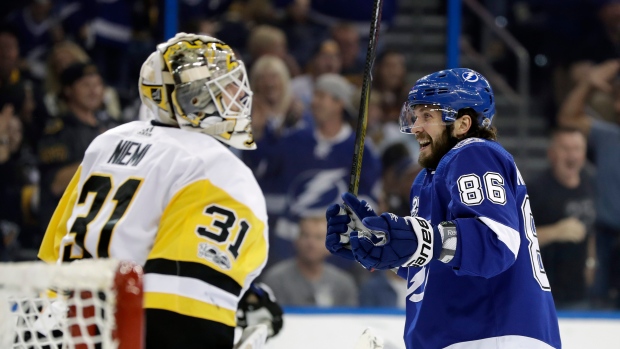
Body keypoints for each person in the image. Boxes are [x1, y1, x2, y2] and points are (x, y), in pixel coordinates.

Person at [38, 33, 281, 349]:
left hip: (48, 330)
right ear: (191, 98)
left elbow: (56, 255)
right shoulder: (219, 170)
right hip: (123, 337)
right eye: (225, 84)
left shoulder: (108, 143)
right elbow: (181, 319)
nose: (240, 94)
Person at [325, 68, 561, 349]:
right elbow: (438, 262)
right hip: (467, 336)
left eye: (427, 116)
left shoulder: (474, 152)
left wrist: (421, 239)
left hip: (493, 335)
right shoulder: (428, 178)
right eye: (415, 116)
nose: (415, 127)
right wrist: (381, 244)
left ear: (462, 124)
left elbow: (496, 242)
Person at [557, 58, 620, 309]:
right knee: (597, 302)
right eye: (616, 98)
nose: (617, 106)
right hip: (604, 235)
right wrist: (588, 84)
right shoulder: (608, 135)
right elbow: (567, 117)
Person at [528, 127, 596, 309]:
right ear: (551, 153)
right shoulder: (535, 190)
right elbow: (517, 238)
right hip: (543, 292)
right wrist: (556, 232)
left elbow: (592, 230)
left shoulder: (590, 184)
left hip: (579, 291)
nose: (572, 155)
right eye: (565, 148)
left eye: (577, 149)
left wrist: (591, 262)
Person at [262, 214, 358, 307]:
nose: (311, 243)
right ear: (296, 241)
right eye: (306, 236)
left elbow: (350, 320)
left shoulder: (343, 283)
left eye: (318, 237)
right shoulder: (276, 280)